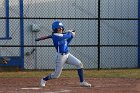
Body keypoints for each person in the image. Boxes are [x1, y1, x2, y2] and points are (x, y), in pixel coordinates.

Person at [36, 20, 91, 87]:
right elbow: (65, 37)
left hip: (67, 55)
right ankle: (44, 79)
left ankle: (82, 82)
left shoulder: (62, 35)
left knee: (79, 64)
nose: (61, 29)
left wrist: (71, 36)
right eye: (59, 28)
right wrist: (70, 33)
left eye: (62, 28)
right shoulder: (56, 36)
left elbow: (66, 42)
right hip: (60, 57)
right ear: (55, 29)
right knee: (56, 75)